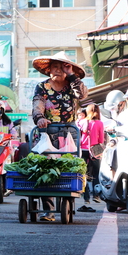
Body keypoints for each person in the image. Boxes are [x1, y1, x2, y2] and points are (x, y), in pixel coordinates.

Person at [32, 51, 88, 221]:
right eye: (54, 67)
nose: (57, 70)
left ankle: (67, 203)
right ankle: (48, 210)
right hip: (47, 132)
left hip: (69, 132)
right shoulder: (42, 87)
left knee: (68, 168)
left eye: (62, 67)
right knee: (46, 167)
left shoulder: (72, 85)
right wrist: (40, 118)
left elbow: (83, 95)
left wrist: (71, 74)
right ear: (48, 70)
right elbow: (37, 104)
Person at [76, 104, 104, 208]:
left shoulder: (83, 121)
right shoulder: (100, 123)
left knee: (83, 173)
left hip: (83, 148)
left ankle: (86, 198)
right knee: (96, 173)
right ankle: (96, 195)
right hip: (95, 148)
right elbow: (101, 139)